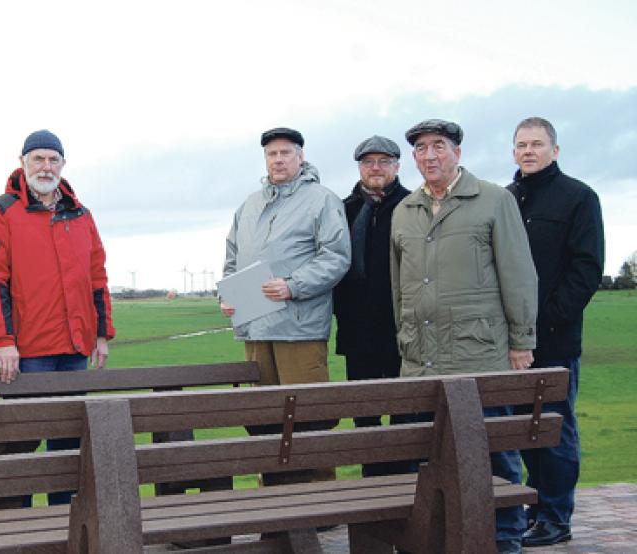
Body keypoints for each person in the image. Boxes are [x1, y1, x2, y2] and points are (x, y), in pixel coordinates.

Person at [390, 119, 538, 554]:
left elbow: (518, 273)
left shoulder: (493, 200)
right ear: (414, 158)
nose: (430, 155)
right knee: (430, 460)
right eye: (421, 148)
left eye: (439, 146)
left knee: (494, 456)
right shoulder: (405, 211)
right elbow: (399, 287)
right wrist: (404, 337)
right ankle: (441, 538)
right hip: (420, 362)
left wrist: (521, 340)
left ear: (457, 152)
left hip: (479, 355)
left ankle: (505, 537)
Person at [0, 129, 115, 505]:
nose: (46, 166)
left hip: (74, 348)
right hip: (28, 351)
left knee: (69, 442)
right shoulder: (0, 210)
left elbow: (97, 277)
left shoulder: (81, 214)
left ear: (63, 165)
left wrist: (101, 334)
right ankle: (19, 527)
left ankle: (63, 526)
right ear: (22, 162)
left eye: (53, 159)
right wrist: (3, 341)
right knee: (22, 438)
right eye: (38, 158)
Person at [221, 127, 351, 486]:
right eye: (272, 154)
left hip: (300, 328)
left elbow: (336, 257)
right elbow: (232, 258)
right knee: (264, 417)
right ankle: (276, 500)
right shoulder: (248, 206)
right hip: (257, 327)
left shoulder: (321, 200)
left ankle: (318, 499)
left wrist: (293, 287)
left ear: (301, 157)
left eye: (285, 153)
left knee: (310, 416)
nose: (278, 160)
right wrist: (228, 296)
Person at [507, 117, 604, 547]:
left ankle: (555, 516)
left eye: (537, 144)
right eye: (522, 145)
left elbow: (586, 271)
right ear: (513, 152)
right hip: (510, 345)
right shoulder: (504, 200)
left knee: (555, 429)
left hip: (554, 340)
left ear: (555, 150)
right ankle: (533, 509)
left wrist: (542, 326)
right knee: (522, 431)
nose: (529, 151)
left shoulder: (579, 198)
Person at [332, 135, 411, 477]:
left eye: (383, 162)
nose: (375, 168)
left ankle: (402, 486)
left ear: (396, 166)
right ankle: (373, 486)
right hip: (357, 331)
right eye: (368, 162)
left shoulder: (412, 206)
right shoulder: (342, 210)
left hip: (401, 330)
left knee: (403, 411)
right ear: (359, 167)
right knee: (364, 412)